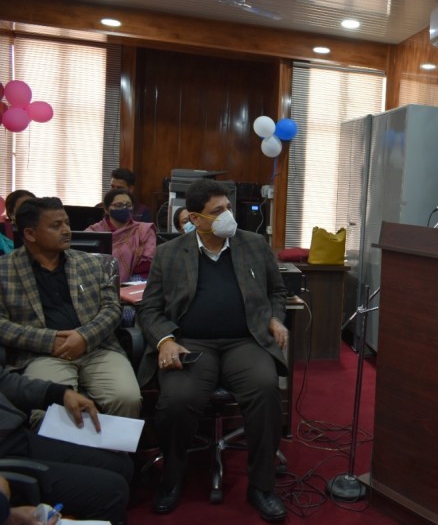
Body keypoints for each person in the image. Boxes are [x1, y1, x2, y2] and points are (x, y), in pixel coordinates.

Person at [137, 178, 289, 521]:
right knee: (176, 401)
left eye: (228, 208)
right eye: (217, 211)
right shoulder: (169, 252)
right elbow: (149, 309)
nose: (227, 216)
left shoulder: (252, 244)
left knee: (266, 390)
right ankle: (172, 478)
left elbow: (277, 293)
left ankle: (261, 486)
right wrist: (166, 339)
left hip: (244, 341)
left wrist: (275, 319)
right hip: (192, 343)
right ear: (194, 218)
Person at [0, 197, 141, 420]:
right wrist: (49, 340)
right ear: (30, 234)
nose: (66, 230)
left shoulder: (92, 263)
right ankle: (60, 456)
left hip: (97, 348)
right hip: (43, 354)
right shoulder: (4, 270)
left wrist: (84, 337)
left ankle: (115, 454)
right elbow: (2, 325)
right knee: (46, 411)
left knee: (127, 398)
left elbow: (112, 308)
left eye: (66, 223)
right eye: (56, 226)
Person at [0, 365, 132, 524]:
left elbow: (4, 381)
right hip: (5, 460)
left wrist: (61, 394)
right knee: (114, 491)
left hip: (15, 434)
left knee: (121, 464)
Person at [86, 188, 156, 283]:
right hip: (99, 281)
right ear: (106, 209)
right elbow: (86, 263)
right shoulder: (94, 232)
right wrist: (133, 258)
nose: (124, 208)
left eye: (128, 205)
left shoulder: (143, 230)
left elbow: (148, 263)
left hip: (135, 282)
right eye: (118, 205)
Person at [1, 190, 35, 256]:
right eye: (23, 207)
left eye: (33, 207)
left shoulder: (44, 230)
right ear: (11, 213)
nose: (29, 211)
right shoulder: (3, 233)